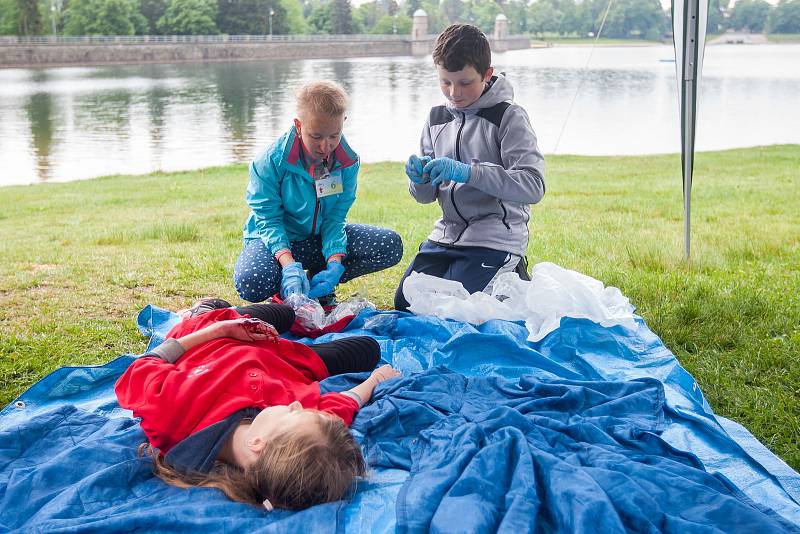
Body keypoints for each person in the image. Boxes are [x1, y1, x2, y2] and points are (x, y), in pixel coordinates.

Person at [115, 299, 401, 510]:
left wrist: (221, 329)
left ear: (257, 443)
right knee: (366, 348)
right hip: (285, 359)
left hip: (213, 337)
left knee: (278, 313)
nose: (297, 407)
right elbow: (340, 408)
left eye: (295, 414)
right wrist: (374, 381)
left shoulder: (169, 413)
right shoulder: (299, 437)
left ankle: (203, 310)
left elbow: (148, 363)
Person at [394, 24, 546, 312]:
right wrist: (419, 180)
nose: (454, 93)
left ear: (487, 74)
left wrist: (468, 172)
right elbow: (425, 196)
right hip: (446, 236)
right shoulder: (436, 118)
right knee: (406, 304)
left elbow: (533, 186)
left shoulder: (509, 117)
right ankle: (495, 279)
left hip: (495, 237)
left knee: (459, 310)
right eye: (445, 82)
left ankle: (511, 272)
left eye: (465, 83)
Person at [234, 80, 403, 306]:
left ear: (343, 122)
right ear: (298, 125)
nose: (325, 147)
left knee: (389, 245)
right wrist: (288, 265)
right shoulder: (268, 162)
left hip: (317, 240)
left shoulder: (347, 163)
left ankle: (317, 283)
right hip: (274, 241)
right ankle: (286, 287)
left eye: (334, 135)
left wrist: (335, 262)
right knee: (251, 281)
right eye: (316, 136)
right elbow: (269, 221)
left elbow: (334, 219)